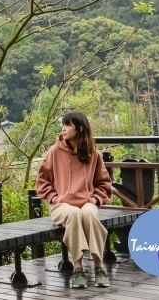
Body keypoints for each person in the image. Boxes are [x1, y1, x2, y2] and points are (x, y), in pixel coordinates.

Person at [35, 111, 114, 289]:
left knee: (88, 214)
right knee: (74, 213)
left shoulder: (92, 153)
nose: (63, 129)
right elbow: (42, 181)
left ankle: (99, 266)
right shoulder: (55, 151)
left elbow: (104, 182)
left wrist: (95, 200)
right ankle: (78, 268)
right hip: (62, 206)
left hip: (87, 202)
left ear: (79, 128)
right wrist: (54, 198)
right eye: (63, 125)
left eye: (68, 125)